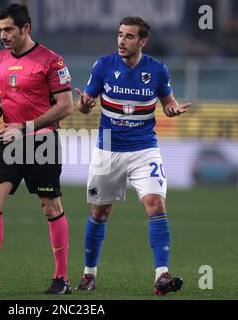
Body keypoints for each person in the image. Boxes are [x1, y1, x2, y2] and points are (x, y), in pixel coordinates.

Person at [0, 3, 73, 295]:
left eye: (9, 29)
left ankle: (62, 279)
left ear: (26, 29)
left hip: (41, 141)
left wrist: (27, 127)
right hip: (10, 139)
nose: (3, 35)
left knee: (50, 207)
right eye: (0, 30)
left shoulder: (51, 61)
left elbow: (65, 107)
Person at [74, 17, 190, 295]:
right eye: (120, 35)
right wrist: (84, 105)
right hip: (109, 148)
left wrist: (172, 110)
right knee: (100, 212)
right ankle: (89, 274)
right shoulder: (103, 65)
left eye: (128, 37)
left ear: (142, 41)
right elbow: (85, 105)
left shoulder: (157, 70)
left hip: (144, 149)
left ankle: (162, 275)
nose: (121, 41)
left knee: (155, 205)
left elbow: (168, 103)